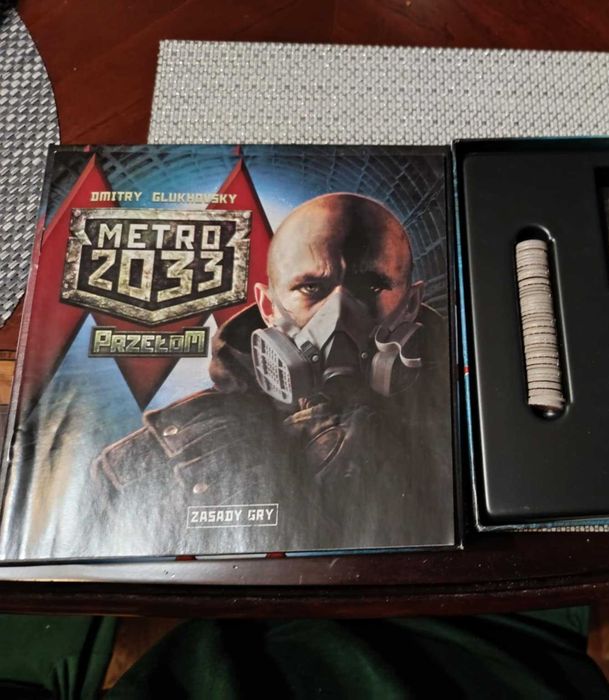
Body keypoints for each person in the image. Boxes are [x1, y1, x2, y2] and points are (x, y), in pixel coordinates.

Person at [88, 193, 453, 556]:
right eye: (311, 288)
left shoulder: (467, 435)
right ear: (267, 305)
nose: (339, 312)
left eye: (370, 286)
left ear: (411, 304)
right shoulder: (137, 469)